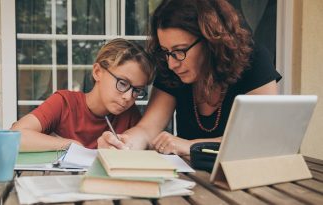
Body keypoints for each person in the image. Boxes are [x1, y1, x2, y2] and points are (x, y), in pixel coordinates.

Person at [97, 0, 282, 155]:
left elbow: (261, 137)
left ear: (211, 40)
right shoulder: (171, 66)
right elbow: (147, 129)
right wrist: (123, 143)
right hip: (192, 181)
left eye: (179, 51)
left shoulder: (254, 60)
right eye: (166, 51)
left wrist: (191, 145)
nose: (171, 64)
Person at [11, 38, 154, 151]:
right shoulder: (64, 103)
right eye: (122, 83)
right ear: (98, 72)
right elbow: (15, 135)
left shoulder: (130, 114)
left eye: (137, 90)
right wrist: (69, 145)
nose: (128, 97)